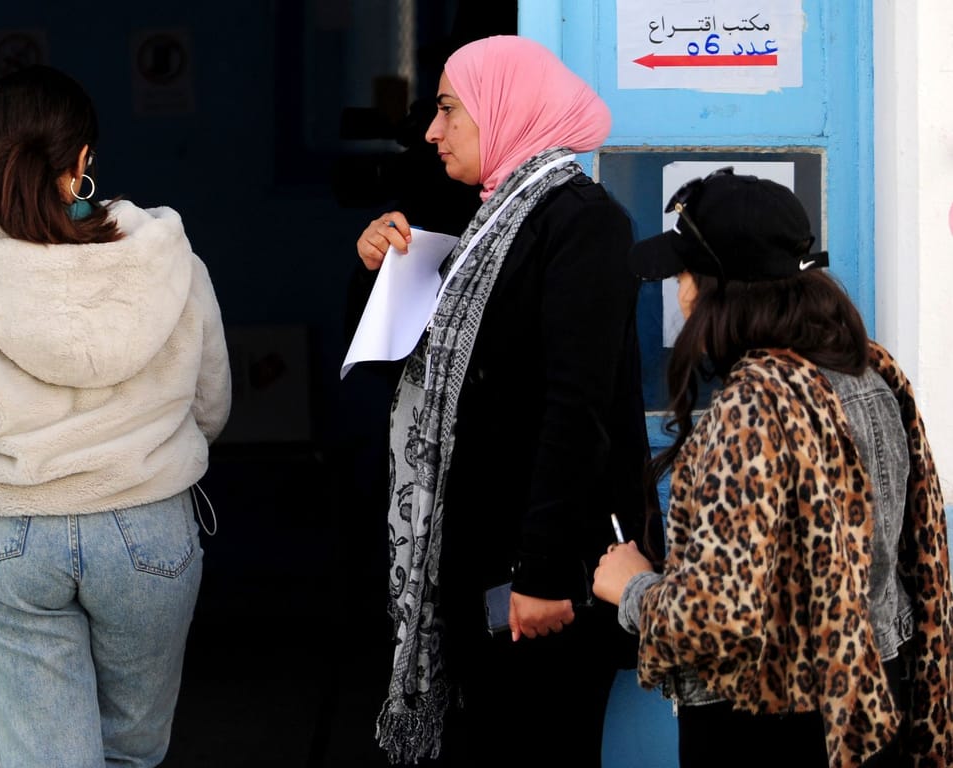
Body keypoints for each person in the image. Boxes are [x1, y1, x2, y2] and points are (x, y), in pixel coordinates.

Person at [0, 64, 232, 768]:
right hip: (149, 532)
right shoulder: (170, 263)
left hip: (11, 538)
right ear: (83, 163)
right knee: (131, 754)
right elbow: (211, 407)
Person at [348, 35, 655, 766]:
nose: (432, 130)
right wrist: (376, 271)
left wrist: (543, 575)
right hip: (482, 567)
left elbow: (574, 411)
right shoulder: (487, 225)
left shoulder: (582, 222)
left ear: (502, 110)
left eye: (449, 110)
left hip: (545, 584)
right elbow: (426, 374)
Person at [592, 168, 953, 768]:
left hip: (766, 726)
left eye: (685, 274)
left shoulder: (754, 404)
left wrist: (631, 587)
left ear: (720, 288)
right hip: (873, 706)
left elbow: (714, 618)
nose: (681, 294)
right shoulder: (870, 373)